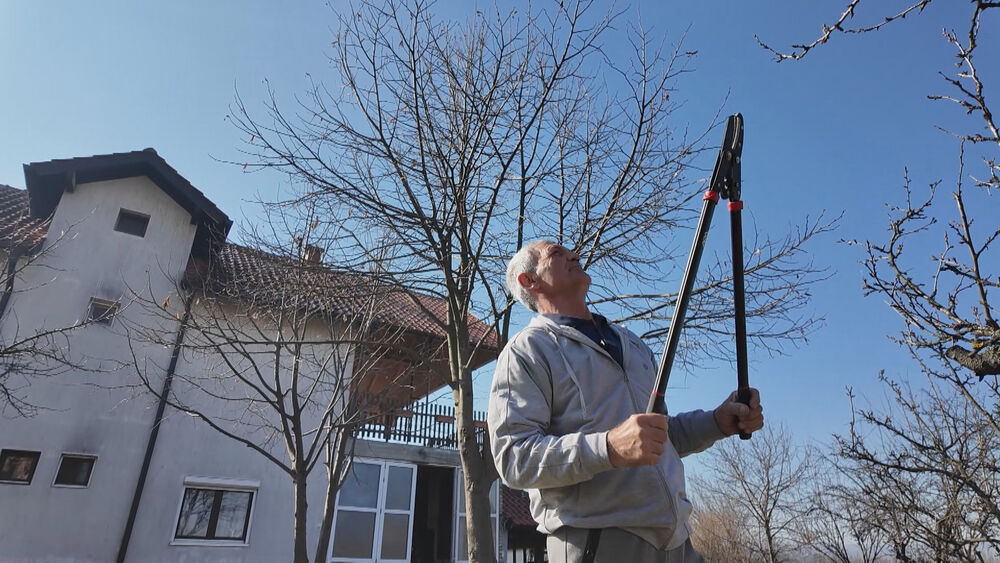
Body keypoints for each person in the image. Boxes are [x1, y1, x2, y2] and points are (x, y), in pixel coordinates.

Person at [487, 240, 764, 563]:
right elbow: (514, 457)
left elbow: (658, 438)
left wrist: (716, 422)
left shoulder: (631, 343)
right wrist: (608, 447)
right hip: (598, 542)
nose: (574, 254)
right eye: (556, 253)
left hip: (677, 541)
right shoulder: (526, 351)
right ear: (529, 280)